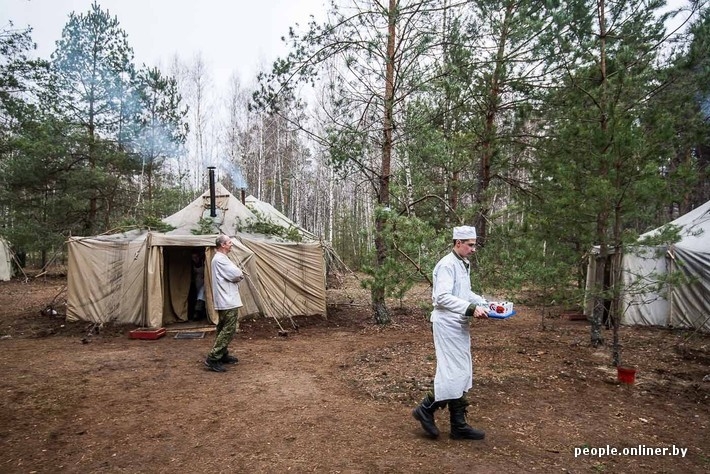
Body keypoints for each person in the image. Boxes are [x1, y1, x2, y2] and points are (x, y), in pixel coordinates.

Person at [412, 225, 489, 440]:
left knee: (462, 373)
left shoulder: (463, 264)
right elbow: (442, 297)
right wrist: (472, 309)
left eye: (474, 244)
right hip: (446, 324)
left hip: (459, 323)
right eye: (470, 245)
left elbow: (464, 293)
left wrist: (485, 303)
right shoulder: (446, 265)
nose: (474, 249)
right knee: (452, 373)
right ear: (458, 243)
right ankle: (426, 408)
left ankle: (458, 425)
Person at [204, 235, 244, 373]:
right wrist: (239, 275)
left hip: (226, 298)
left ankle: (222, 354)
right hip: (227, 300)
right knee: (228, 329)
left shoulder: (221, 259)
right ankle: (213, 358)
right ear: (222, 245)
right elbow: (237, 273)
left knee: (222, 327)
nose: (231, 244)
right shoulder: (220, 260)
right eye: (229, 242)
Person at [189, 249, 206, 321]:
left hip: (204, 282)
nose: (195, 259)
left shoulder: (204, 263)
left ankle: (197, 312)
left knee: (201, 296)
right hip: (197, 282)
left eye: (196, 257)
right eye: (193, 258)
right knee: (198, 296)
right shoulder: (191, 264)